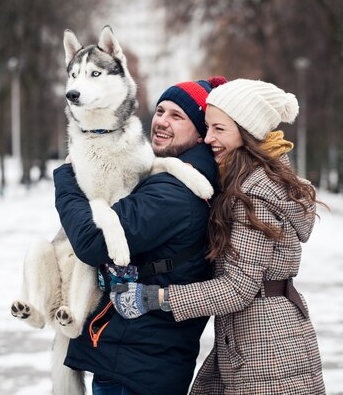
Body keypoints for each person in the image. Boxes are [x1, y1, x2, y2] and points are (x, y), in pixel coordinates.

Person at [111, 78, 326, 394]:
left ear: (246, 132)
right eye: (208, 127)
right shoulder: (242, 182)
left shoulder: (253, 194)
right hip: (256, 335)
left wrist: (155, 297)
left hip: (267, 348)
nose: (208, 138)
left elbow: (238, 288)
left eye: (219, 129)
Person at [52, 77, 227, 395]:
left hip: (135, 365)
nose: (162, 121)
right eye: (161, 111)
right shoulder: (175, 178)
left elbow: (93, 244)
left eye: (178, 116)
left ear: (202, 132)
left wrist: (67, 178)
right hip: (144, 358)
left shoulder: (172, 192)